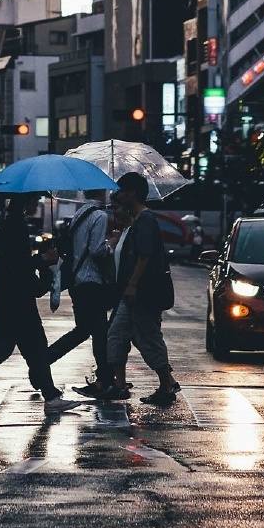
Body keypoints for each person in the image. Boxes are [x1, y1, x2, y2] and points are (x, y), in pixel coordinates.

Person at [0, 192, 78, 415]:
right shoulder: (14, 226)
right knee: (21, 347)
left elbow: (14, 263)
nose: (37, 204)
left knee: (21, 347)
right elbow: (15, 264)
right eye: (34, 200)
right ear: (26, 202)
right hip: (15, 300)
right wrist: (42, 260)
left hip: (9, 297)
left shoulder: (12, 223)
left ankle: (50, 396)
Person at [101, 171, 177, 407]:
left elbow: (145, 256)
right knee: (116, 334)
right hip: (129, 295)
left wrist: (133, 284)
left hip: (142, 293)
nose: (117, 195)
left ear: (132, 193)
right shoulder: (137, 221)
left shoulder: (146, 220)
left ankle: (167, 385)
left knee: (148, 338)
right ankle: (118, 384)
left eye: (120, 191)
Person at [43, 189, 115, 394]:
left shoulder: (80, 213)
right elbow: (96, 250)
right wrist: (112, 243)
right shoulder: (100, 215)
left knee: (84, 331)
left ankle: (44, 362)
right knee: (99, 332)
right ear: (102, 192)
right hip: (91, 281)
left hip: (77, 281)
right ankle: (104, 380)